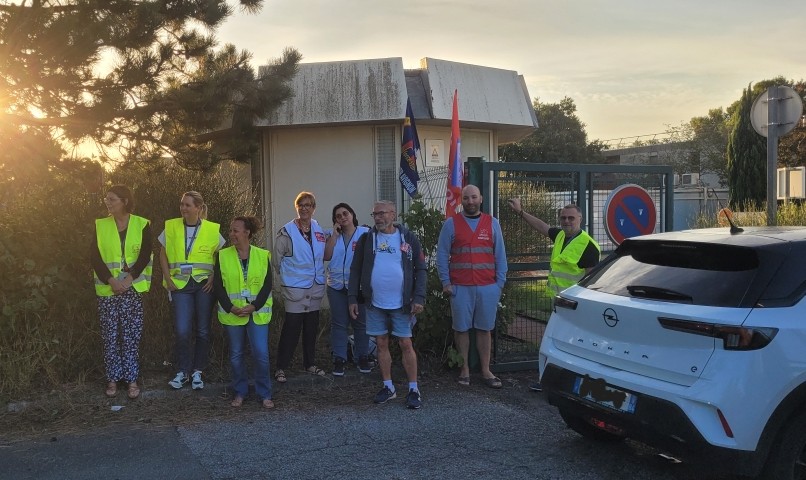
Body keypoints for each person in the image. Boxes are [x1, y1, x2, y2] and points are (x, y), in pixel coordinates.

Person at [507, 199, 601, 392]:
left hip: (576, 308)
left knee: (574, 347)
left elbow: (592, 282)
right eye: (563, 218)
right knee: (553, 344)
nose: (566, 221)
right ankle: (548, 382)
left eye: (571, 218)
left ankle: (575, 385)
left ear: (580, 219)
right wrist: (521, 212)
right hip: (558, 304)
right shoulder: (560, 236)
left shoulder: (588, 246)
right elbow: (542, 226)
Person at [348, 200, 427, 409]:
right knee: (381, 343)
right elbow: (355, 270)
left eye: (382, 213)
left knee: (405, 344)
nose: (378, 218)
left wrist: (419, 297)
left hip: (402, 303)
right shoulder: (366, 240)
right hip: (374, 303)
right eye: (375, 214)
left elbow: (421, 269)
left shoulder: (408, 238)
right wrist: (353, 299)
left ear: (394, 214)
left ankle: (413, 389)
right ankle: (388, 387)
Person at [437, 185, 508, 389]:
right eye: (466, 198)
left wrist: (499, 284)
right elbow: (442, 255)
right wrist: (446, 282)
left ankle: (485, 370)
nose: (470, 201)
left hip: (488, 287)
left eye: (474, 197)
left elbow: (500, 255)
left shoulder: (492, 223)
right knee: (461, 329)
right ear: (462, 201)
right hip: (460, 287)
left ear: (481, 198)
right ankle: (465, 368)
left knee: (484, 329)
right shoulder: (451, 224)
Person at [91, 185, 153, 399]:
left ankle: (131, 379)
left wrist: (128, 278)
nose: (107, 202)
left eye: (112, 199)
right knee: (110, 336)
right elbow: (95, 257)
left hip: (132, 288)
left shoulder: (142, 224)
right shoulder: (100, 225)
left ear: (125, 201)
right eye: (106, 198)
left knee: (131, 336)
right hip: (109, 290)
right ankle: (112, 379)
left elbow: (145, 254)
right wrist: (111, 280)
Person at [159, 191, 225, 390]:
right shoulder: (170, 226)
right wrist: (167, 278)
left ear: (198, 207)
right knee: (182, 330)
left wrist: (213, 277)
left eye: (187, 205)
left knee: (203, 330)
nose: (183, 208)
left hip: (204, 284)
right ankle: (183, 371)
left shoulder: (212, 229)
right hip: (180, 285)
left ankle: (198, 371)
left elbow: (222, 257)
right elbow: (162, 254)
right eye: (182, 204)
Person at [213, 216, 275, 409]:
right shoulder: (222, 256)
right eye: (230, 230)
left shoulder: (263, 255)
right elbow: (218, 286)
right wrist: (230, 307)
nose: (231, 234)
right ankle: (240, 391)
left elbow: (267, 285)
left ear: (247, 233)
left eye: (235, 231)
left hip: (257, 312)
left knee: (261, 353)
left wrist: (255, 305)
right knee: (236, 355)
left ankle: (264, 393)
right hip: (233, 313)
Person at [273, 191, 328, 383]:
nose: (304, 208)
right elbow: (277, 261)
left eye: (308, 205)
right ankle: (281, 367)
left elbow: (323, 254)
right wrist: (289, 278)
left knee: (311, 327)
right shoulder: (286, 232)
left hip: (315, 287)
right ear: (296, 207)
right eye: (301, 205)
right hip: (295, 289)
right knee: (292, 327)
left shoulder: (318, 228)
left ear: (313, 208)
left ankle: (309, 363)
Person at [324, 203, 371, 376]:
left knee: (360, 323)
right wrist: (334, 237)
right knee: (338, 324)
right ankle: (339, 359)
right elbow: (326, 256)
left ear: (352, 214)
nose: (343, 217)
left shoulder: (364, 234)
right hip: (336, 286)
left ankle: (363, 357)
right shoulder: (332, 235)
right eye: (338, 216)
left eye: (345, 213)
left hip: (357, 287)